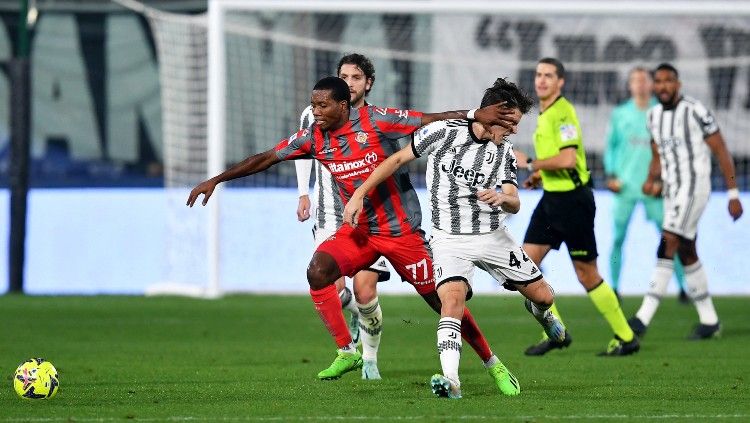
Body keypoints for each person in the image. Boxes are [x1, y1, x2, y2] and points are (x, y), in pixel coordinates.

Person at [187, 77, 522, 386]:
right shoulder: (312, 138)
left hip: (401, 231)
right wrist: (216, 179)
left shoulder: (376, 120)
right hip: (359, 231)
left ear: (343, 105)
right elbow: (266, 158)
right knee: (318, 271)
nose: (315, 112)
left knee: (443, 301)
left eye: (322, 106)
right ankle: (347, 351)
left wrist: (475, 113)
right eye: (313, 105)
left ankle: (493, 363)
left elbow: (428, 118)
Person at [343, 77, 566, 399]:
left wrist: (503, 199)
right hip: (448, 240)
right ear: (495, 114)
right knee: (452, 301)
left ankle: (542, 315)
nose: (515, 130)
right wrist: (360, 194)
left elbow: (515, 201)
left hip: (493, 237)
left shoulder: (504, 152)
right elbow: (395, 160)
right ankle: (451, 380)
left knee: (543, 296)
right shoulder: (445, 132)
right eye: (512, 122)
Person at [516, 57, 639, 356]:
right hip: (552, 200)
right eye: (538, 74)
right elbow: (558, 162)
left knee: (587, 274)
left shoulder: (564, 112)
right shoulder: (545, 113)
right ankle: (556, 331)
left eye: (549, 75)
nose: (542, 80)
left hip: (573, 201)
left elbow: (569, 159)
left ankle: (626, 337)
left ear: (561, 82)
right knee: (524, 267)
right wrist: (540, 175)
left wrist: (531, 162)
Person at [627, 63, 744, 340]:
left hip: (695, 188)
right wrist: (651, 178)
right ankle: (710, 321)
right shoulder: (654, 116)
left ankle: (643, 317)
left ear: (678, 84)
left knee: (668, 240)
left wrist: (733, 193)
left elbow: (722, 150)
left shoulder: (696, 110)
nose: (664, 86)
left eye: (669, 81)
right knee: (686, 251)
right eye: (660, 81)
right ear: (655, 86)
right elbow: (657, 154)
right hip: (672, 191)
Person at [295, 54, 390, 379]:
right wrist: (303, 192)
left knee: (365, 292)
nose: (349, 82)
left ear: (368, 83)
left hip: (369, 219)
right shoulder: (315, 113)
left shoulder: (375, 119)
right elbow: (300, 150)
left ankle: (371, 360)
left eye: (356, 77)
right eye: (344, 76)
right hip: (329, 214)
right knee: (332, 288)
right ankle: (350, 344)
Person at [604, 67, 687, 302]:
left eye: (643, 80)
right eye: (635, 80)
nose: (640, 84)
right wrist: (611, 175)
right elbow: (610, 147)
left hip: (655, 188)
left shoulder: (661, 112)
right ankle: (615, 288)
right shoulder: (620, 114)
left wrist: (664, 179)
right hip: (626, 187)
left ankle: (683, 288)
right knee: (618, 238)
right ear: (630, 85)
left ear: (650, 84)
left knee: (669, 238)